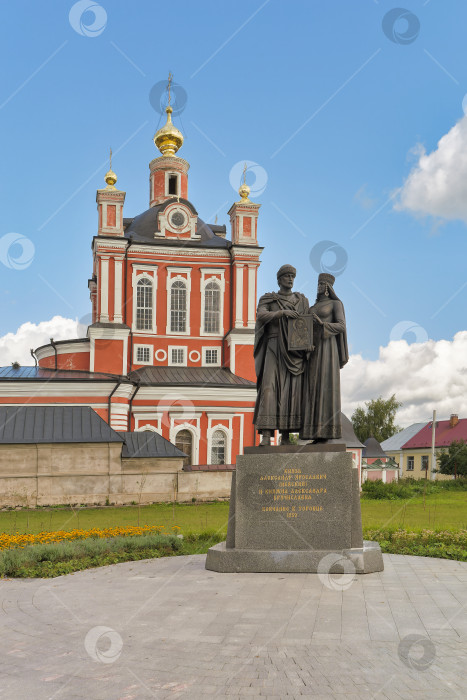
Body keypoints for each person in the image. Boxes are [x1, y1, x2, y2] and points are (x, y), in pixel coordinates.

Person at [253, 264, 309, 446]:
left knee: (290, 392)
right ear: (279, 279)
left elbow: (306, 324)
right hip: (273, 346)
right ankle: (266, 435)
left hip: (294, 351)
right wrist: (282, 313)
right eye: (286, 276)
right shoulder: (269, 298)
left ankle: (285, 436)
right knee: (269, 389)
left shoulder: (301, 300)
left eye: (293, 276)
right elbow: (260, 315)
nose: (290, 279)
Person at [300, 273, 348, 442]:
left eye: (322, 284)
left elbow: (341, 325)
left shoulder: (335, 304)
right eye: (318, 284)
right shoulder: (313, 306)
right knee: (312, 388)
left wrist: (323, 325)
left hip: (328, 350)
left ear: (328, 288)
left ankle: (326, 433)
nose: (319, 287)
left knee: (326, 387)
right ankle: (314, 432)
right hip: (313, 351)